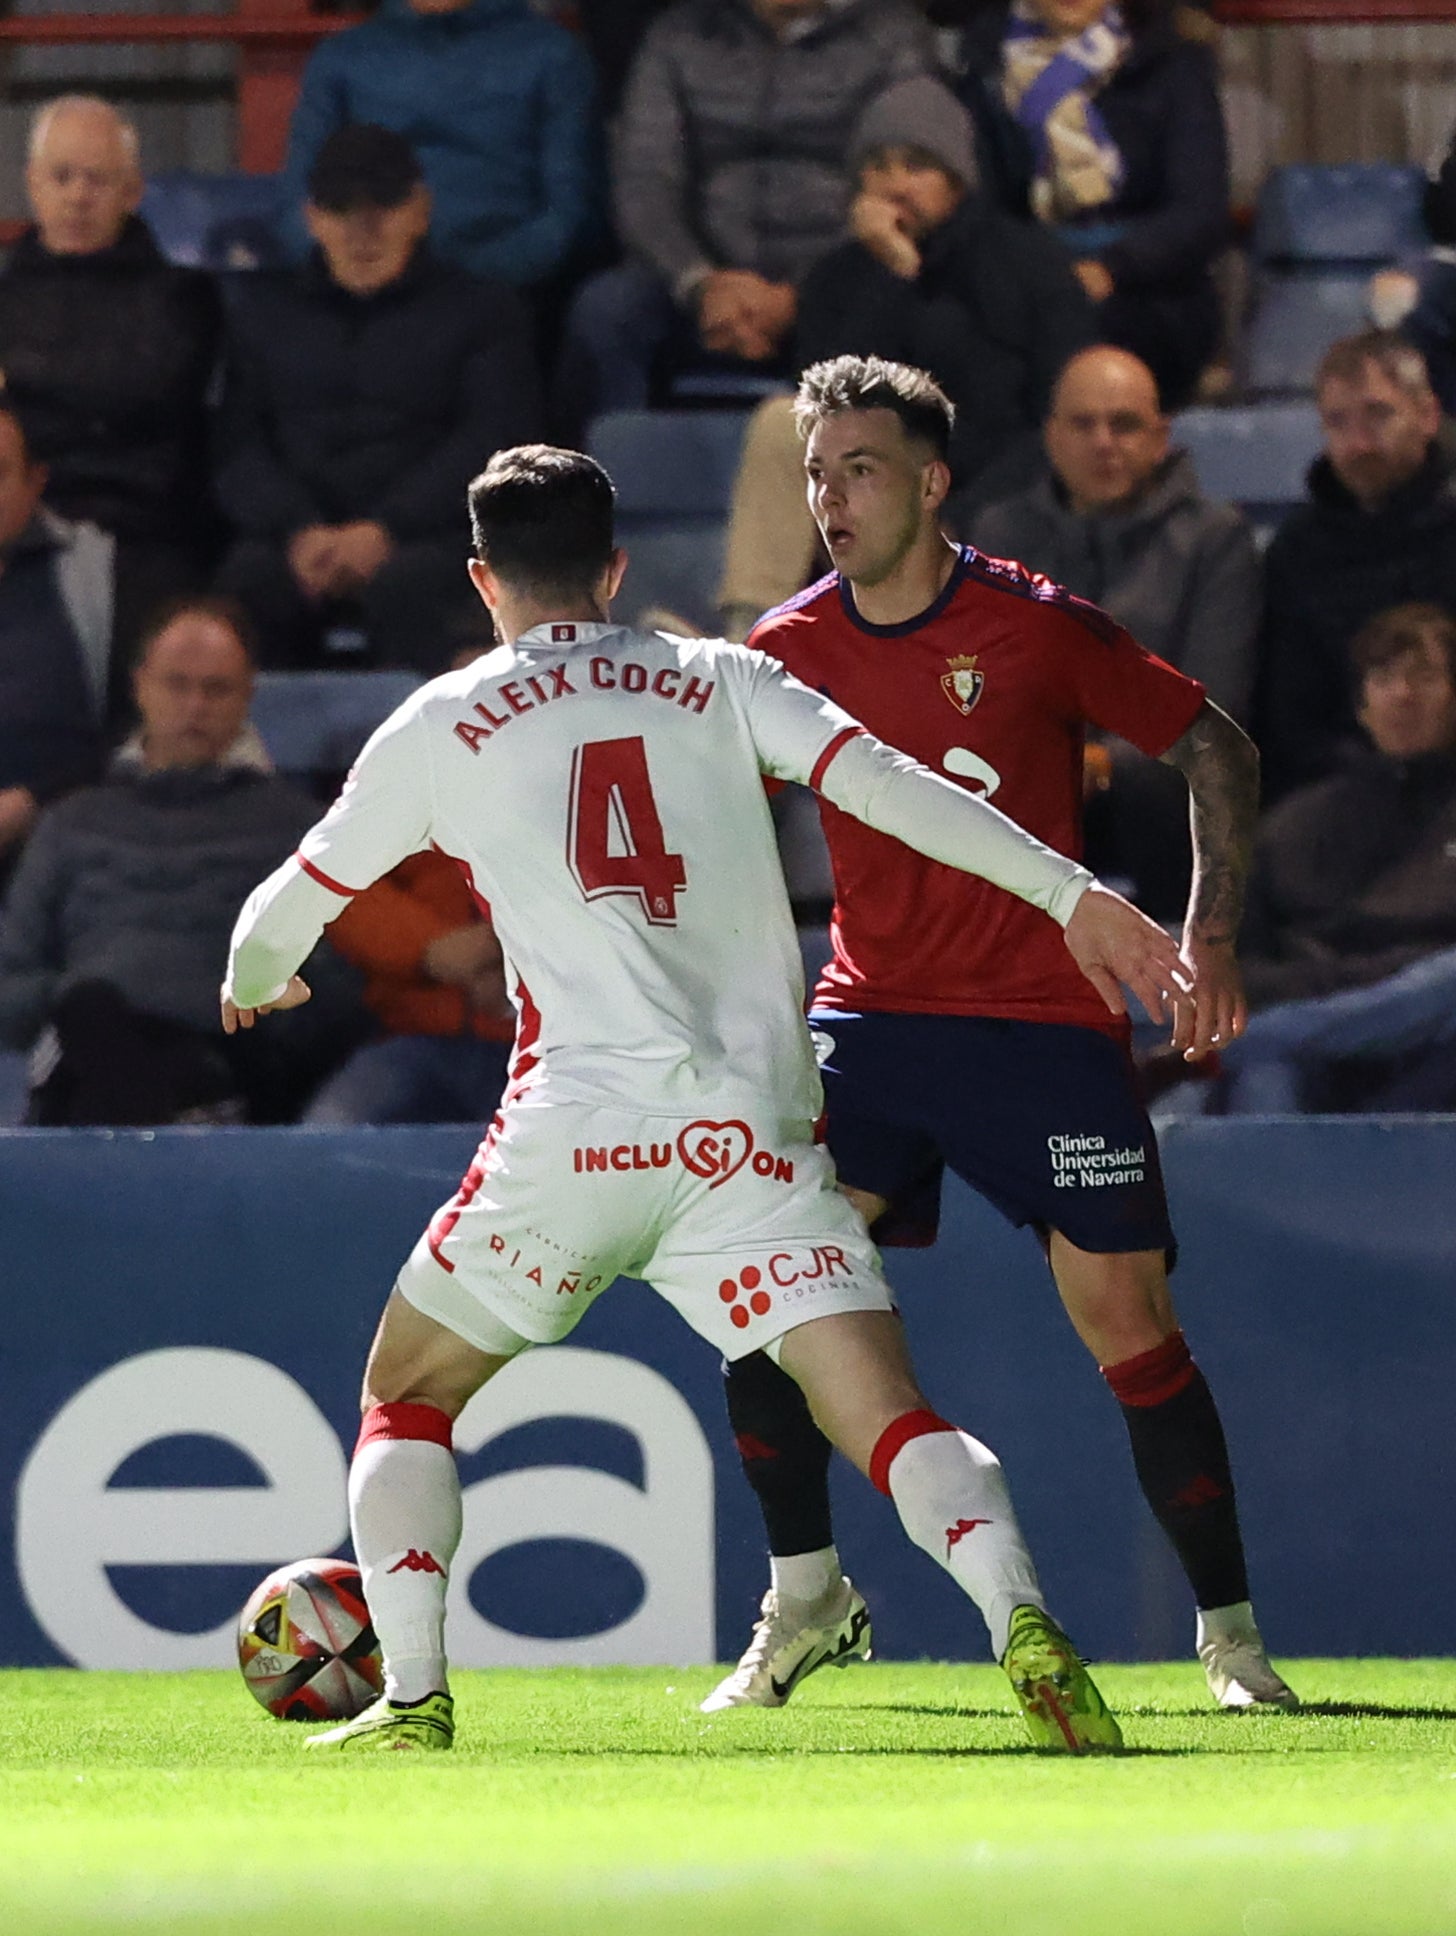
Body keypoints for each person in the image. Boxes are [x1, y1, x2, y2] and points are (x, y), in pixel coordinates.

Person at [221, 443, 1198, 1753]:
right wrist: (1074, 892)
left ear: (481, 582)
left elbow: (287, 909)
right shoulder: (723, 681)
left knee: (408, 1393)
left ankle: (415, 1697)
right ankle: (1018, 1615)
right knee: (889, 1416)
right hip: (751, 1141)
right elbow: (898, 792)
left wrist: (258, 976)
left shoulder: (443, 719)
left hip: (573, 1133)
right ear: (616, 570)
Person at [700, 354, 1295, 1719]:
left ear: (929, 479)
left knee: (1128, 1323)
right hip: (869, 1029)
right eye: (813, 470)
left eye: (858, 467)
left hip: (1039, 1032)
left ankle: (1233, 1644)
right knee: (770, 1310)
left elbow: (1218, 750)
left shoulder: (1033, 624)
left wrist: (1206, 936)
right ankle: (804, 1603)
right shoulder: (782, 654)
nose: (830, 496)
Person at [713, 75, 1096, 638]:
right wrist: (891, 276)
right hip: (867, 496)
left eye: (916, 166)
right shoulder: (841, 276)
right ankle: (748, 635)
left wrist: (954, 504)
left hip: (990, 495)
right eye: (878, 166)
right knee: (779, 422)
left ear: (956, 179)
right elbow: (828, 402)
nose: (894, 185)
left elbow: (1051, 408)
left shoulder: (1028, 264)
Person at [0, 598, 352, 1126]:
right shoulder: (72, 823)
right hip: (89, 1042)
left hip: (229, 1048)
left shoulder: (301, 830)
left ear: (248, 695)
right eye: (176, 684)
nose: (195, 707)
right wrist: (68, 997)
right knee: (92, 1018)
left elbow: (337, 983)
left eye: (216, 689)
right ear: (140, 686)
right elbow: (11, 979)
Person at [215, 126, 542, 674]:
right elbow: (235, 449)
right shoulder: (262, 315)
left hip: (435, 539)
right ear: (312, 217)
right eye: (342, 208)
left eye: (384, 206)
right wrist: (298, 528)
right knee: (246, 585)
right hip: (295, 544)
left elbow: (495, 443)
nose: (363, 230)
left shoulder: (483, 311)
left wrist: (387, 529)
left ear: (421, 210)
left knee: (418, 589)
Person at [971, 343, 1260, 916]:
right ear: (1052, 437)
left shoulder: (1215, 539)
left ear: (1160, 436)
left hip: (1156, 797)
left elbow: (1211, 708)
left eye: (1124, 425)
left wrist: (1100, 766)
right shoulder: (1000, 533)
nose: (1103, 442)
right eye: (1084, 424)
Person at [555, 0, 930, 431]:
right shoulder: (678, 35)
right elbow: (645, 182)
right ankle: (612, 483)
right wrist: (700, 281)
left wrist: (804, 293)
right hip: (700, 276)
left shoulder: (892, 34)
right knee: (606, 310)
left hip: (839, 272)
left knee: (891, 305)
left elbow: (905, 183)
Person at [0, 97, 221, 660]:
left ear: (133, 191)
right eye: (62, 176)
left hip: (144, 530)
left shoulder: (185, 300)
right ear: (32, 184)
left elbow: (155, 396)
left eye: (97, 179)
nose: (78, 195)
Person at [1214, 602, 1456, 1115]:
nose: (1404, 695)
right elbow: (1241, 967)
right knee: (1265, 1077)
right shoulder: (1295, 826)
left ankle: (1255, 1045)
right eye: (1385, 677)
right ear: (1361, 705)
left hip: (1437, 1041)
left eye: (1425, 677)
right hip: (1316, 1038)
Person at [954, 0, 1230, 411]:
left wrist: (1111, 268)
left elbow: (1199, 213)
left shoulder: (1171, 60)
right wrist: (1047, 276)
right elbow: (982, 212)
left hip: (1152, 293)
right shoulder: (983, 69)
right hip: (1028, 284)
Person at [277, 0, 600, 293]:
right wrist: (356, 271)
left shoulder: (554, 56)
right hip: (359, 294)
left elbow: (569, 214)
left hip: (503, 295)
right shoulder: (340, 59)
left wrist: (467, 281)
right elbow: (298, 204)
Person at [1257, 331, 1456, 804]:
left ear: (1427, 415)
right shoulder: (1298, 552)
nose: (1360, 443)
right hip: (1344, 793)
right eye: (1339, 423)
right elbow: (1291, 718)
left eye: (1379, 415)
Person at [303, 848, 514, 1124]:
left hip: (555, 1051)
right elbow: (339, 879)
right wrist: (430, 948)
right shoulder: (392, 809)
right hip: (417, 1034)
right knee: (324, 1138)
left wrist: (507, 952)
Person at [0, 404, 114, 892]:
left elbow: (133, 727)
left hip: (72, 832)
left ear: (34, 483)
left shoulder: (94, 577)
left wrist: (30, 801)